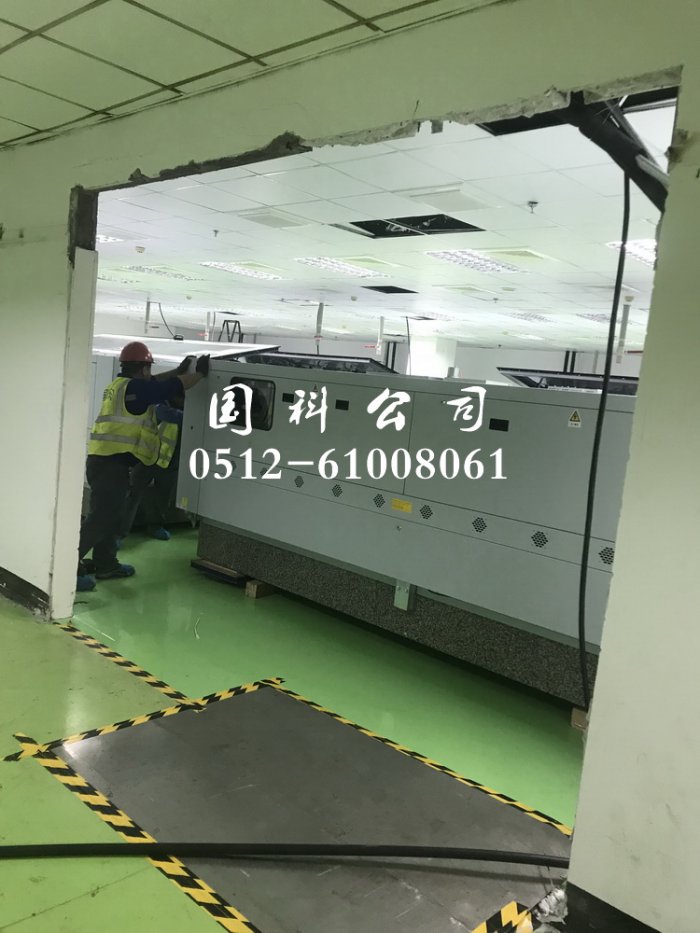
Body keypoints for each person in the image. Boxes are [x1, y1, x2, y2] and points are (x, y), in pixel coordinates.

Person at [77, 343, 209, 591]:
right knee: (101, 518)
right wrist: (199, 374)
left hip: (106, 462)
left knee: (112, 516)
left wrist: (177, 370)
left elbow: (156, 383)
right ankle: (68, 569)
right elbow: (170, 387)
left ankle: (106, 564)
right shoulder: (137, 389)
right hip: (110, 464)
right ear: (144, 368)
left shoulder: (122, 385)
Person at [120, 393, 184, 541]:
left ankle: (155, 526)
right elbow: (174, 416)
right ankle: (117, 532)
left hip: (170, 463)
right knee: (132, 495)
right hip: (146, 459)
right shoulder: (160, 406)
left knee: (162, 497)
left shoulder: (186, 410)